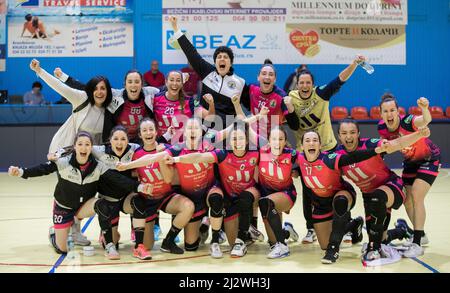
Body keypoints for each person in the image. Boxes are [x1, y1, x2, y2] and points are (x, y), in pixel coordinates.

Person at [8, 131, 152, 259]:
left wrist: (138, 186)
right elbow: (42, 169)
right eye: (80, 144)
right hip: (64, 206)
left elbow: (117, 178)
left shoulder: (98, 166)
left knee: (101, 204)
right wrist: (21, 172)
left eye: (87, 144)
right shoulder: (63, 162)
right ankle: (54, 234)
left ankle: (109, 246)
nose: (84, 147)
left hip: (83, 206)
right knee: (62, 249)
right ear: (75, 146)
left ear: (91, 147)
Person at [288, 55, 367, 245]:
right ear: (297, 84)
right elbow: (286, 120)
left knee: (334, 188)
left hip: (328, 150)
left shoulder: (321, 94)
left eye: (308, 82)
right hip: (305, 153)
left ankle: (346, 224)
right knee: (309, 192)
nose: (305, 86)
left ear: (312, 84)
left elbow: (340, 79)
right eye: (301, 83)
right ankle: (310, 229)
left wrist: (354, 64)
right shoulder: (290, 98)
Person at [336, 119, 432, 264]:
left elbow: (397, 144)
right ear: (339, 136)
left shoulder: (370, 144)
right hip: (368, 195)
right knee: (380, 237)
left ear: (358, 134)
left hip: (392, 186)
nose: (348, 136)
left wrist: (419, 134)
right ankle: (401, 230)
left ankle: (373, 249)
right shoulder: (338, 155)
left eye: (352, 132)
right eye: (344, 133)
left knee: (377, 200)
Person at [163, 120, 262, 258]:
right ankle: (209, 232)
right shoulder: (182, 149)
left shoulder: (212, 142)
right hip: (202, 196)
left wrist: (252, 119)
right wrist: (175, 159)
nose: (192, 131)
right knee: (191, 246)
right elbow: (198, 156)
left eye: (195, 128)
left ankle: (233, 235)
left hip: (226, 193)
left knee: (232, 201)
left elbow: (234, 127)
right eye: (189, 128)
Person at [116, 118, 195, 258]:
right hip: (147, 200)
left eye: (151, 129)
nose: (148, 133)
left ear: (156, 132)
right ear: (140, 134)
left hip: (166, 196)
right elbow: (133, 175)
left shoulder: (166, 149)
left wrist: (161, 158)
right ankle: (140, 234)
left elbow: (169, 179)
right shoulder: (136, 154)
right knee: (148, 246)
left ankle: (168, 241)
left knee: (188, 206)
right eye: (144, 130)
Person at [378, 95, 441, 257]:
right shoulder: (382, 128)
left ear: (398, 111)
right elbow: (386, 148)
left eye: (392, 110)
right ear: (381, 114)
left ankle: (417, 243)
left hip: (429, 158)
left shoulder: (408, 121)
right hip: (410, 162)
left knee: (417, 195)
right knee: (407, 200)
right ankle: (421, 234)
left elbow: (425, 120)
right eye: (385, 111)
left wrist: (425, 108)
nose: (389, 114)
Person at [169, 16, 249, 127]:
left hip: (228, 131)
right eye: (219, 57)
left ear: (231, 63)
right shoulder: (207, 72)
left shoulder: (241, 83)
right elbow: (191, 53)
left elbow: (251, 105)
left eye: (225, 57)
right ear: (215, 62)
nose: (222, 59)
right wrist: (175, 28)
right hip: (205, 129)